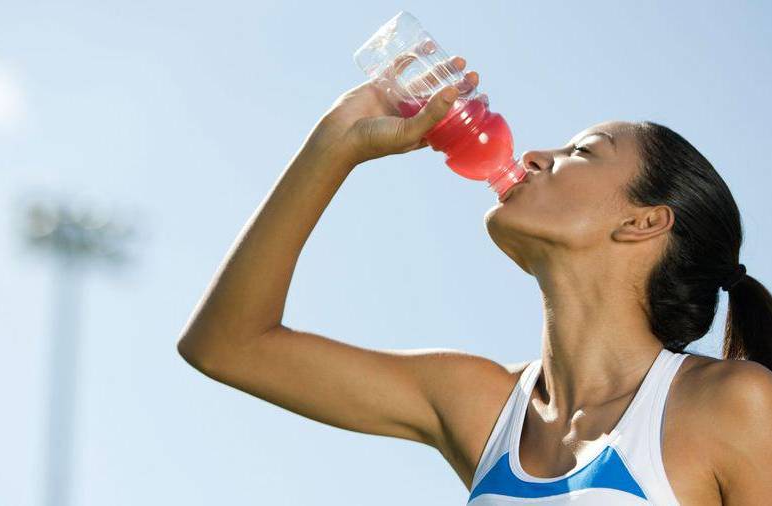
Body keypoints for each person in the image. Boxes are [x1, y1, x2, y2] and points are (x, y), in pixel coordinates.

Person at [177, 56, 772, 504]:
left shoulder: (732, 404)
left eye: (582, 152)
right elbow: (227, 345)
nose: (536, 155)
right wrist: (337, 142)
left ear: (643, 222)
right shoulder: (482, 406)